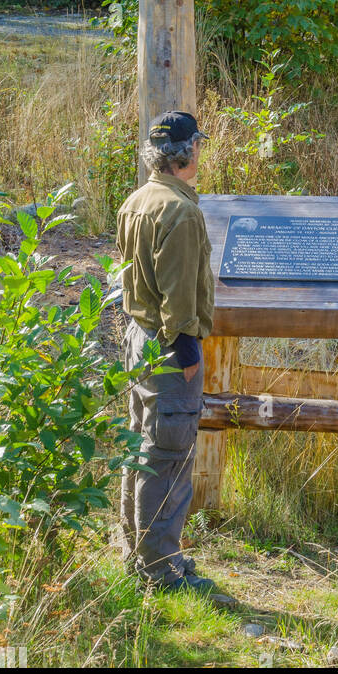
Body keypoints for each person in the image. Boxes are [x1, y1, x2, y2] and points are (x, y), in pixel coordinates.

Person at [117, 110, 218, 592]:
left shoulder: (137, 200)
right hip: (168, 347)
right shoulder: (179, 210)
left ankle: (139, 553)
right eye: (197, 143)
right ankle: (160, 571)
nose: (200, 150)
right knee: (169, 455)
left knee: (144, 446)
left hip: (138, 339)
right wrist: (189, 354)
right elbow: (178, 299)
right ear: (186, 151)